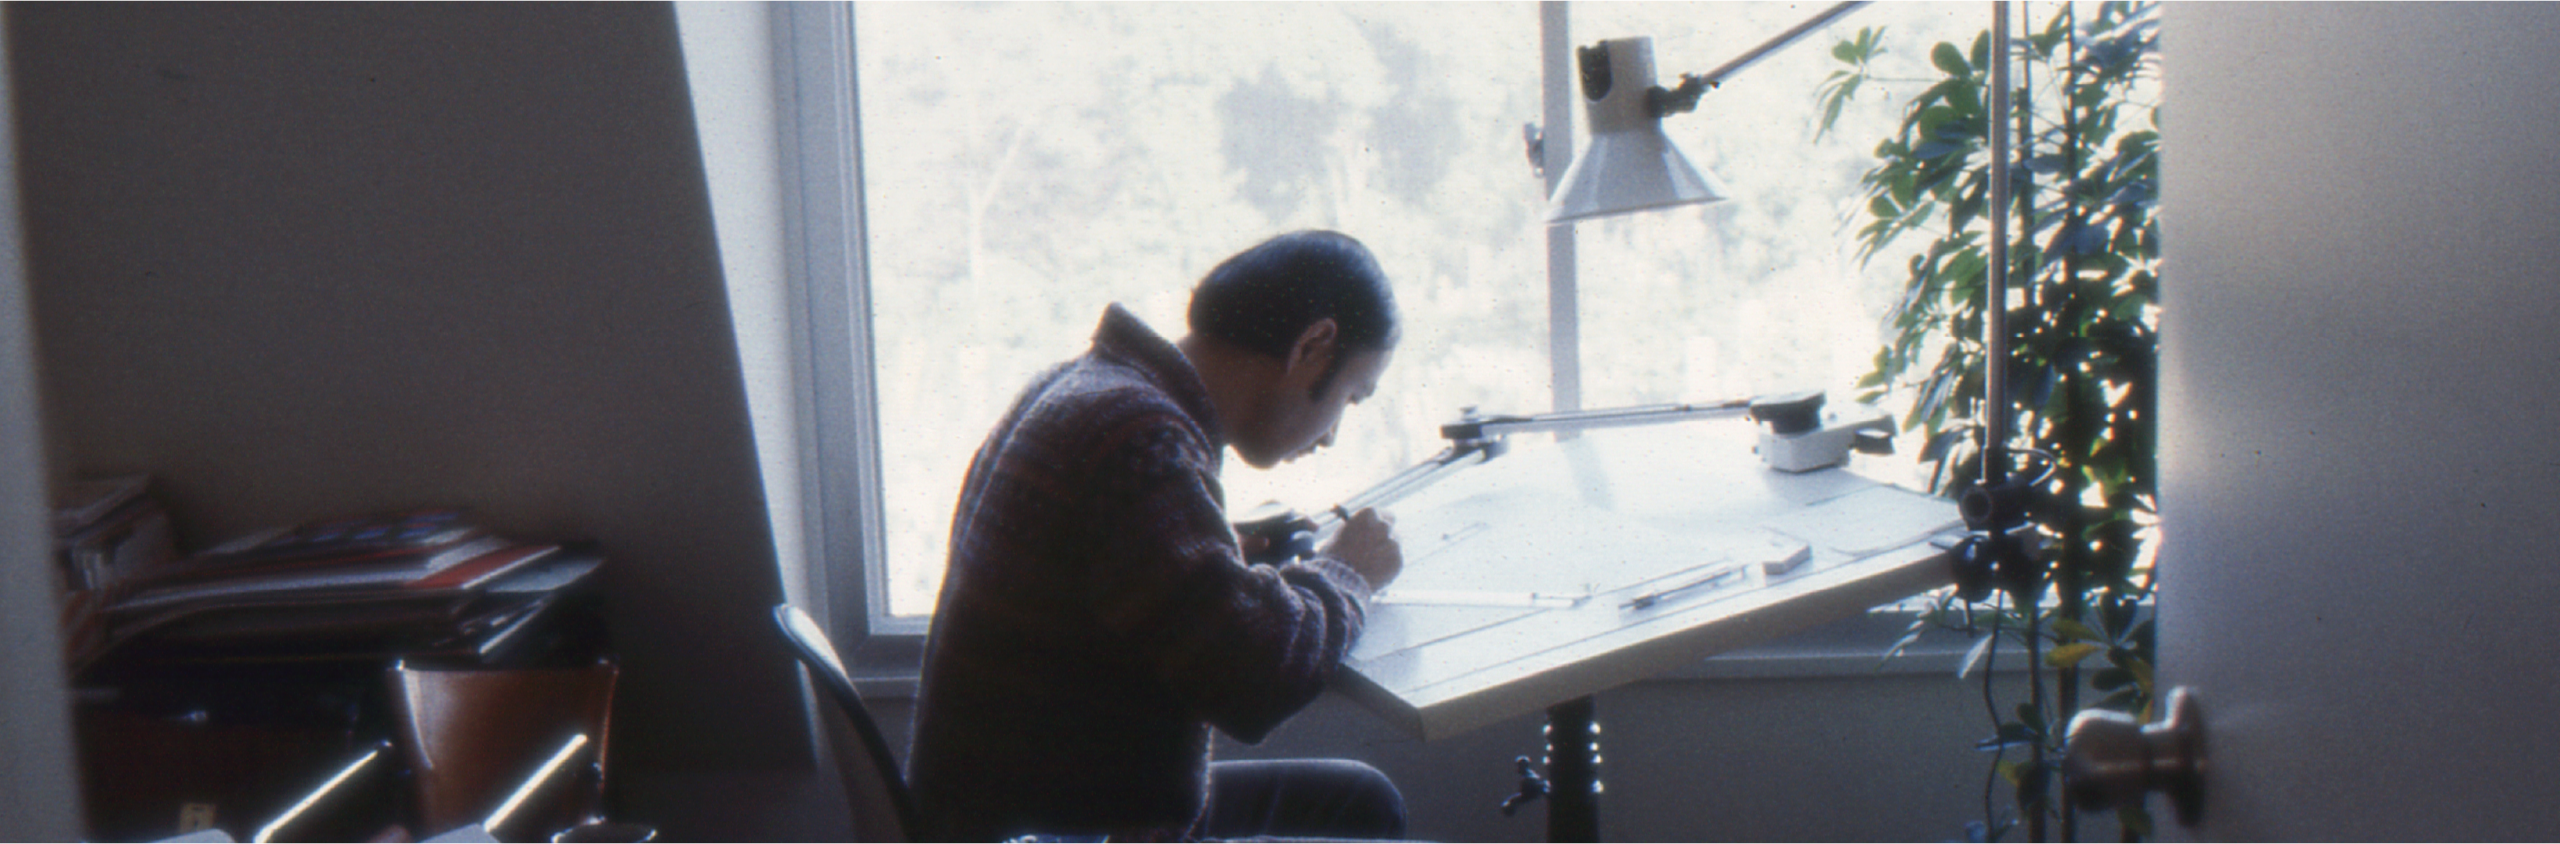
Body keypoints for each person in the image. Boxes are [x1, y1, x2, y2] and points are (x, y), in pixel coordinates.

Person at [906, 230, 1410, 841]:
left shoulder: (1082, 386)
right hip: (1069, 829)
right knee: (1369, 813)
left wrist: (1223, 557)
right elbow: (1252, 680)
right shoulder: (1141, 438)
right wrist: (1349, 572)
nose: (1330, 436)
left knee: (1362, 800)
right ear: (1313, 345)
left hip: (1019, 809)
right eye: (1353, 397)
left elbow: (1110, 574)